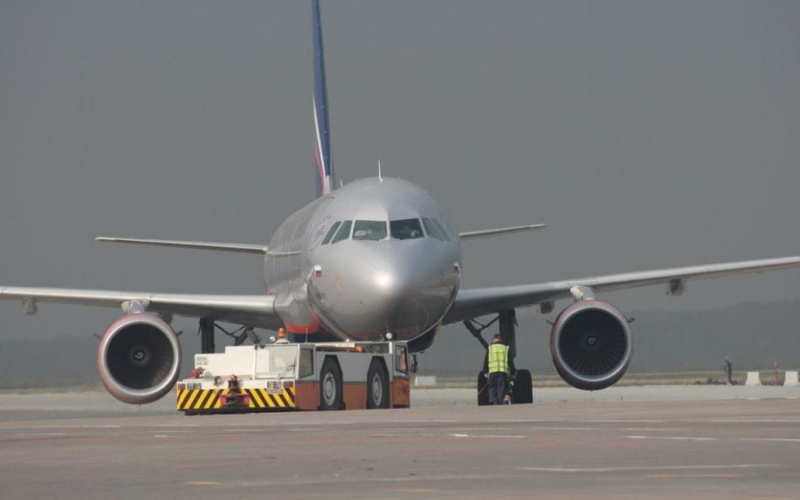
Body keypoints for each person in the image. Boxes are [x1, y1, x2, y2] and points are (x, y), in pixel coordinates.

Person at [485, 334, 511, 405]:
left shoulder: (490, 348)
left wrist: (485, 371)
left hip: (492, 371)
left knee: (492, 387)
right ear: (501, 340)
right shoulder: (505, 348)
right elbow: (510, 361)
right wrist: (513, 371)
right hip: (502, 371)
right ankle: (500, 401)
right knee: (501, 387)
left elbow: (486, 361)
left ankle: (494, 401)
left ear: (493, 340)